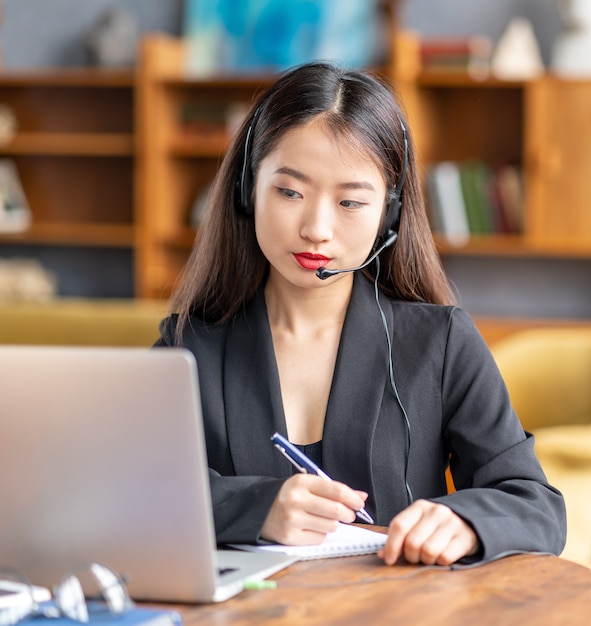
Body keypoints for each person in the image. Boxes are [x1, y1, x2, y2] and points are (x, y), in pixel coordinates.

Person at [155, 62, 566, 567]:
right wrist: (253, 508)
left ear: (388, 216)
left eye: (350, 202)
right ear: (248, 190)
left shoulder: (440, 343)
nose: (316, 230)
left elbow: (537, 505)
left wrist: (467, 520)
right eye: (289, 192)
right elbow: (126, 492)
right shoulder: (187, 347)